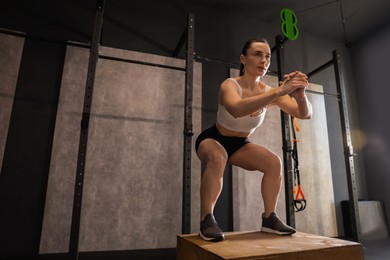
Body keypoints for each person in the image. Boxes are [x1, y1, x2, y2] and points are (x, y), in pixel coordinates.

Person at [195, 38, 312, 242]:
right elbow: (237, 109)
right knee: (218, 156)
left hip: (240, 145)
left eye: (267, 56)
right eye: (257, 54)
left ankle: (269, 218)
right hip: (214, 138)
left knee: (273, 162)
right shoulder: (229, 85)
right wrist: (280, 91)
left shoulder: (270, 92)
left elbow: (304, 114)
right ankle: (206, 219)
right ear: (243, 58)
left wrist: (300, 96)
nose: (264, 61)